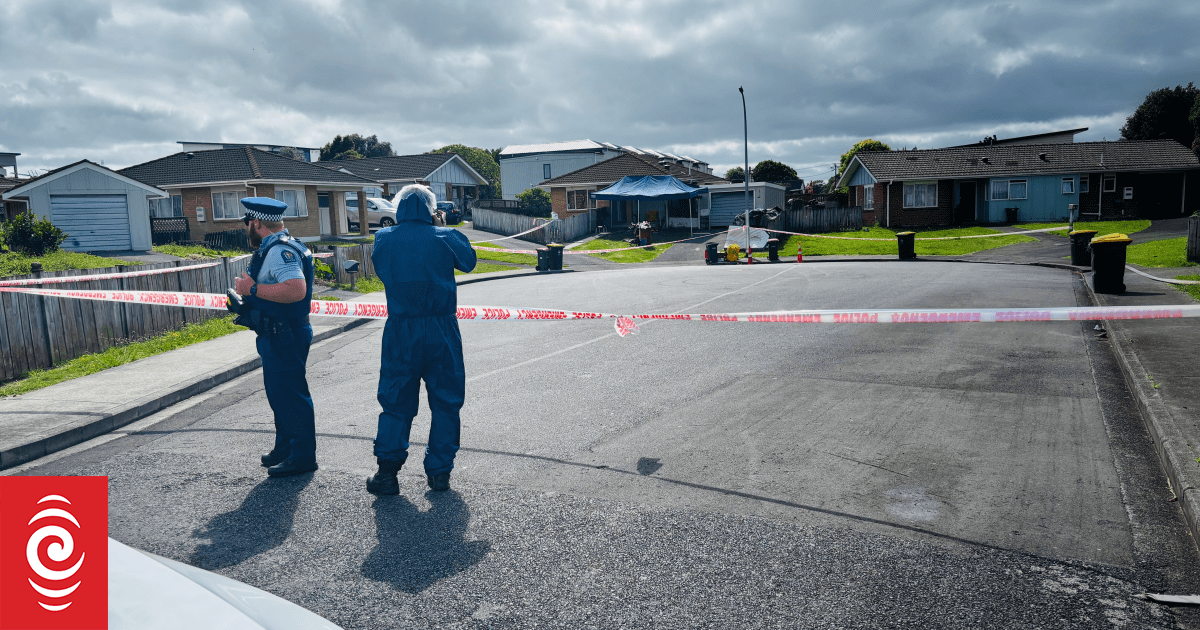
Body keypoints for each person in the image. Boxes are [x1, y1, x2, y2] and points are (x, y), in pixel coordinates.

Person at [366, 185, 476, 494]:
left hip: (402, 328)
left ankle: (387, 473)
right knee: (446, 402)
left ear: (399, 206)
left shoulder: (384, 238)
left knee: (396, 399)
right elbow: (468, 261)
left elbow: (382, 270)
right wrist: (440, 227)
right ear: (431, 208)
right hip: (441, 328)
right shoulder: (445, 236)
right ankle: (440, 472)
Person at [233, 197, 318, 478]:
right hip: (279, 332)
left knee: (291, 395)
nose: (247, 228)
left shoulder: (280, 251)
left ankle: (303, 456)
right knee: (280, 394)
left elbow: (296, 289)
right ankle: (286, 448)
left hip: (285, 334)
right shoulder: (280, 245)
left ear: (256, 223)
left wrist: (253, 290)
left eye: (248, 223)